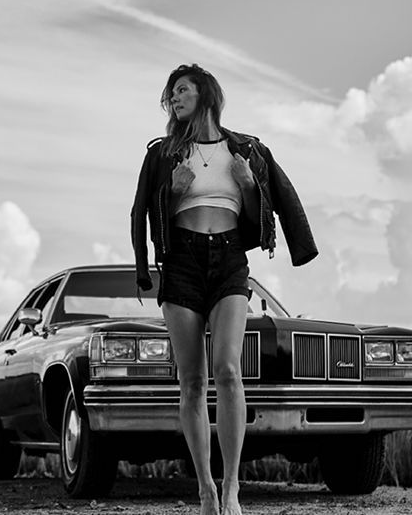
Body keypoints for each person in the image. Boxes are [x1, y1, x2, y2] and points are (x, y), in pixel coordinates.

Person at [131, 64, 317, 515]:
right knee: (193, 381)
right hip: (182, 265)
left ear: (206, 95)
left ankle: (232, 487)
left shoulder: (248, 150)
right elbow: (140, 211)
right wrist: (171, 195)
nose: (173, 98)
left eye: (181, 90)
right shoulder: (163, 155)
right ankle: (205, 489)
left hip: (231, 259)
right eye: (170, 94)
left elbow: (275, 203)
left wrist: (251, 186)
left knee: (229, 371)